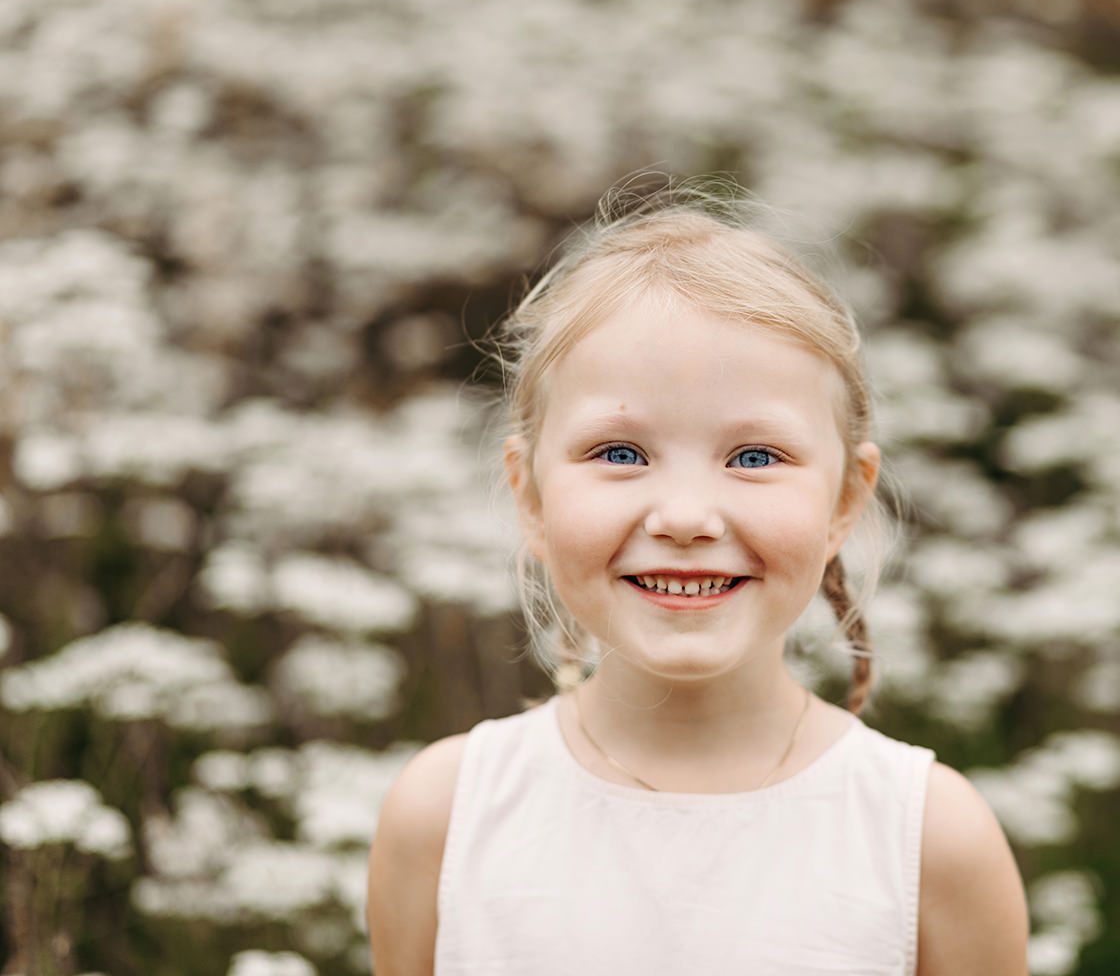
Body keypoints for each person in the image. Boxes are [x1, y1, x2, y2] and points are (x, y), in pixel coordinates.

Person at [366, 187, 1029, 975]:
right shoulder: (446, 818)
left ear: (844, 502)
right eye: (620, 453)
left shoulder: (929, 840)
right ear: (531, 497)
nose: (685, 517)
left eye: (754, 457)